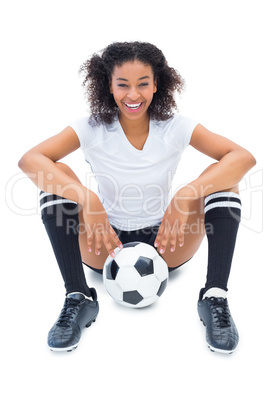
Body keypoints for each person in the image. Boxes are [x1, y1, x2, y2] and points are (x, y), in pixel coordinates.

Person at [18, 41, 256, 354]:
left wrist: (187, 194)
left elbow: (243, 157)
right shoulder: (91, 128)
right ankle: (78, 296)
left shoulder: (175, 127)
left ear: (157, 84)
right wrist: (88, 199)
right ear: (109, 86)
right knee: (55, 173)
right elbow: (30, 160)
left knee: (224, 178)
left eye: (143, 84)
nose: (134, 95)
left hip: (167, 242)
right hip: (104, 244)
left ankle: (215, 297)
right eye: (123, 85)